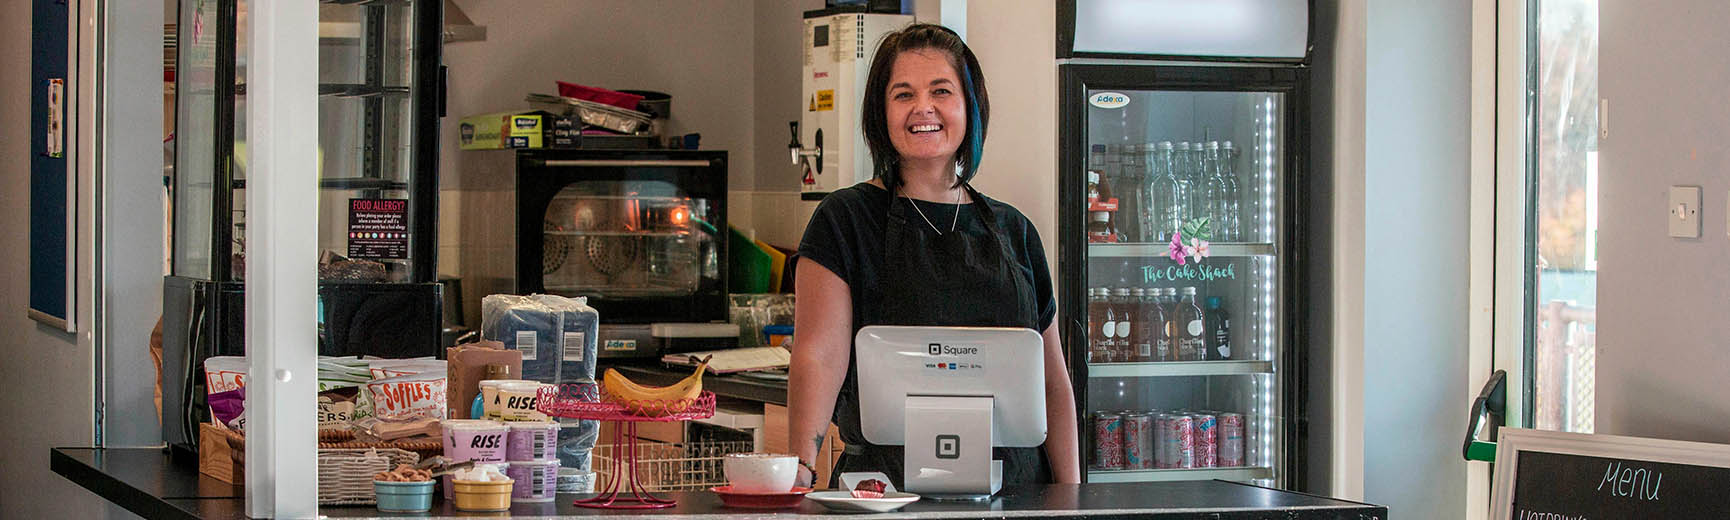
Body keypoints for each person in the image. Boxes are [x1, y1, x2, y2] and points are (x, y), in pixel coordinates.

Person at [789, 23, 1081, 489]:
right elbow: (819, 357)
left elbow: (1051, 385)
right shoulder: (844, 219)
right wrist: (800, 470)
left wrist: (1071, 499)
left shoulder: (1015, 230)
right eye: (903, 94)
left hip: (1016, 493)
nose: (923, 107)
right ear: (881, 113)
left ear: (969, 106)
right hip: (885, 492)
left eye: (941, 91)